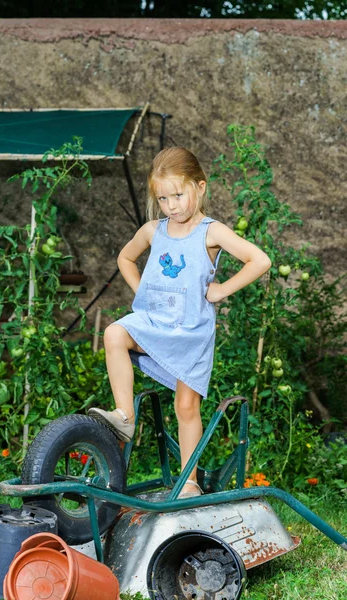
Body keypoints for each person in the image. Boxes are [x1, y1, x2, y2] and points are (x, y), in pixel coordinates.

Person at [89, 147, 271, 497]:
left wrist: (221, 291)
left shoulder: (210, 232)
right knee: (114, 333)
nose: (172, 205)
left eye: (178, 194)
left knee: (186, 407)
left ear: (200, 187)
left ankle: (190, 482)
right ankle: (125, 416)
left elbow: (259, 260)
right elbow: (126, 257)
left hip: (190, 332)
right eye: (163, 198)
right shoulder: (153, 230)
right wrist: (143, 291)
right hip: (156, 322)